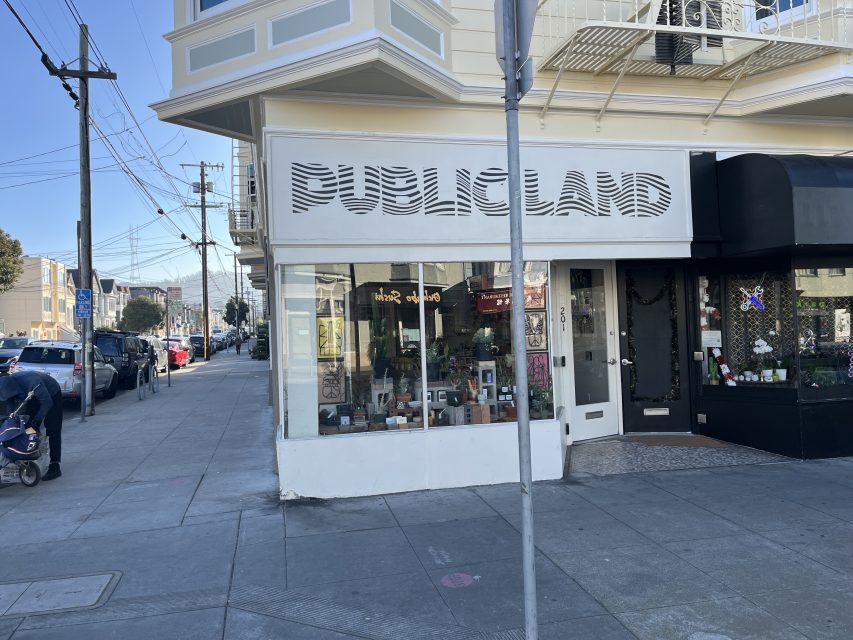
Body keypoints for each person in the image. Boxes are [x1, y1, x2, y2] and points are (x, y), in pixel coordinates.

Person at [0, 371, 63, 480]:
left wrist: (35, 422)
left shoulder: (33, 382)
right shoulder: (7, 385)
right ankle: (27, 457)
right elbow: (12, 409)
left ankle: (55, 466)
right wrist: (10, 426)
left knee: (53, 429)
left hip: (52, 394)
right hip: (31, 396)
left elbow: (47, 403)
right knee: (26, 426)